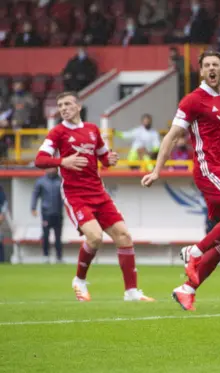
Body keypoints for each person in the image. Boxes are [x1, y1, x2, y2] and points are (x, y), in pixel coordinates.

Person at [141, 50, 220, 311]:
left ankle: (186, 289)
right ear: (201, 71)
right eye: (206, 66)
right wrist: (157, 170)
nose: (212, 69)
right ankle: (193, 252)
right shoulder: (193, 101)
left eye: (216, 64)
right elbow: (172, 136)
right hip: (208, 170)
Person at [35, 91, 154, 302]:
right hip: (75, 195)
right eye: (60, 105)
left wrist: (111, 158)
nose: (63, 108)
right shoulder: (57, 132)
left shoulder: (92, 130)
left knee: (124, 236)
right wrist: (63, 162)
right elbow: (40, 159)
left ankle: (131, 292)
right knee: (95, 236)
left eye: (68, 104)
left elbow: (103, 158)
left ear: (79, 106)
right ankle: (79, 280)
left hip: (98, 192)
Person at [31, 167, 64, 263]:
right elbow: (35, 195)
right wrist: (33, 208)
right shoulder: (41, 181)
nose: (51, 170)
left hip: (58, 213)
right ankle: (46, 255)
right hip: (46, 213)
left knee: (58, 236)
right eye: (49, 168)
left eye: (53, 168)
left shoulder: (60, 181)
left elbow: (65, 196)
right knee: (45, 235)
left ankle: (59, 257)